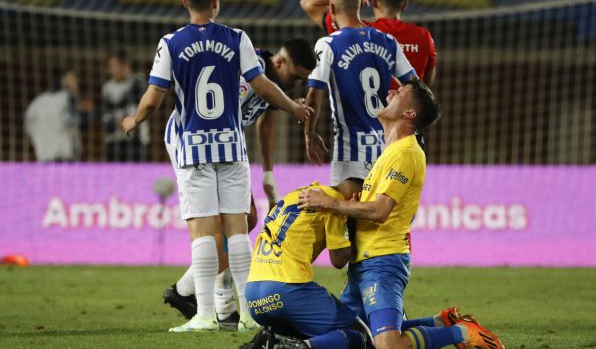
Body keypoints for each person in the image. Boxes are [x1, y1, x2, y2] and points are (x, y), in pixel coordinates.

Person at [121, 0, 313, 333]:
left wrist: (135, 119)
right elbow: (260, 86)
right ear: (216, 2)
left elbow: (153, 99)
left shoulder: (171, 43)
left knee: (206, 232)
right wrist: (292, 107)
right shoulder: (238, 39)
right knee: (238, 229)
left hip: (193, 143)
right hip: (230, 145)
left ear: (184, 2)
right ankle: (242, 313)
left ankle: (206, 312)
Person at [299, 80, 505, 349]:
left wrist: (331, 203)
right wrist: (353, 205)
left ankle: (462, 333)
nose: (391, 91)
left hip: (382, 262)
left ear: (409, 114)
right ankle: (440, 322)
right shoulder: (390, 153)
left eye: (400, 92)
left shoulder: (407, 153)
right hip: (363, 262)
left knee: (387, 346)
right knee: (356, 336)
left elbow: (380, 211)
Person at [162, 39, 317, 330]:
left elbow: (266, 124)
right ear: (280, 62)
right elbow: (218, 115)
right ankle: (223, 308)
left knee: (246, 220)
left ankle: (185, 290)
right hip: (193, 142)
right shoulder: (252, 72)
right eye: (296, 77)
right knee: (221, 223)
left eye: (303, 80)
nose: (297, 84)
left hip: (224, 145)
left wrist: (268, 174)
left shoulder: (273, 83)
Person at [304, 0, 417, 190]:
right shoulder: (388, 41)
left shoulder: (329, 43)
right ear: (361, 4)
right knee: (380, 217)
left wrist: (309, 134)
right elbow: (415, 87)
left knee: (345, 217)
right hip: (388, 150)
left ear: (332, 8)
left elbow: (314, 95)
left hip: (351, 153)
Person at [241, 180, 373, 349]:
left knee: (313, 338)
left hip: (253, 296)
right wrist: (352, 219)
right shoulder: (332, 201)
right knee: (360, 336)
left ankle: (271, 343)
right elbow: (339, 259)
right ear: (357, 197)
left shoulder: (296, 194)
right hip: (287, 289)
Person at [300, 0, 436, 88]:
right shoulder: (424, 36)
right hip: (407, 117)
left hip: (368, 117)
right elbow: (425, 86)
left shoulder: (356, 31)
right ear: (405, 4)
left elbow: (308, 3)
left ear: (374, 2)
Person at [101, 50, 149, 162]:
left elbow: (137, 98)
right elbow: (105, 113)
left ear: (124, 65)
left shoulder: (137, 81)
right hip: (114, 138)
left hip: (136, 139)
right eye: (110, 66)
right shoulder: (107, 88)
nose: (111, 69)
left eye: (114, 65)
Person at [24, 69, 82, 162]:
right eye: (72, 79)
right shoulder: (67, 98)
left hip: (43, 155)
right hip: (64, 155)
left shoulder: (37, 102)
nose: (76, 83)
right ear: (63, 81)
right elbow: (73, 121)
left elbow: (28, 127)